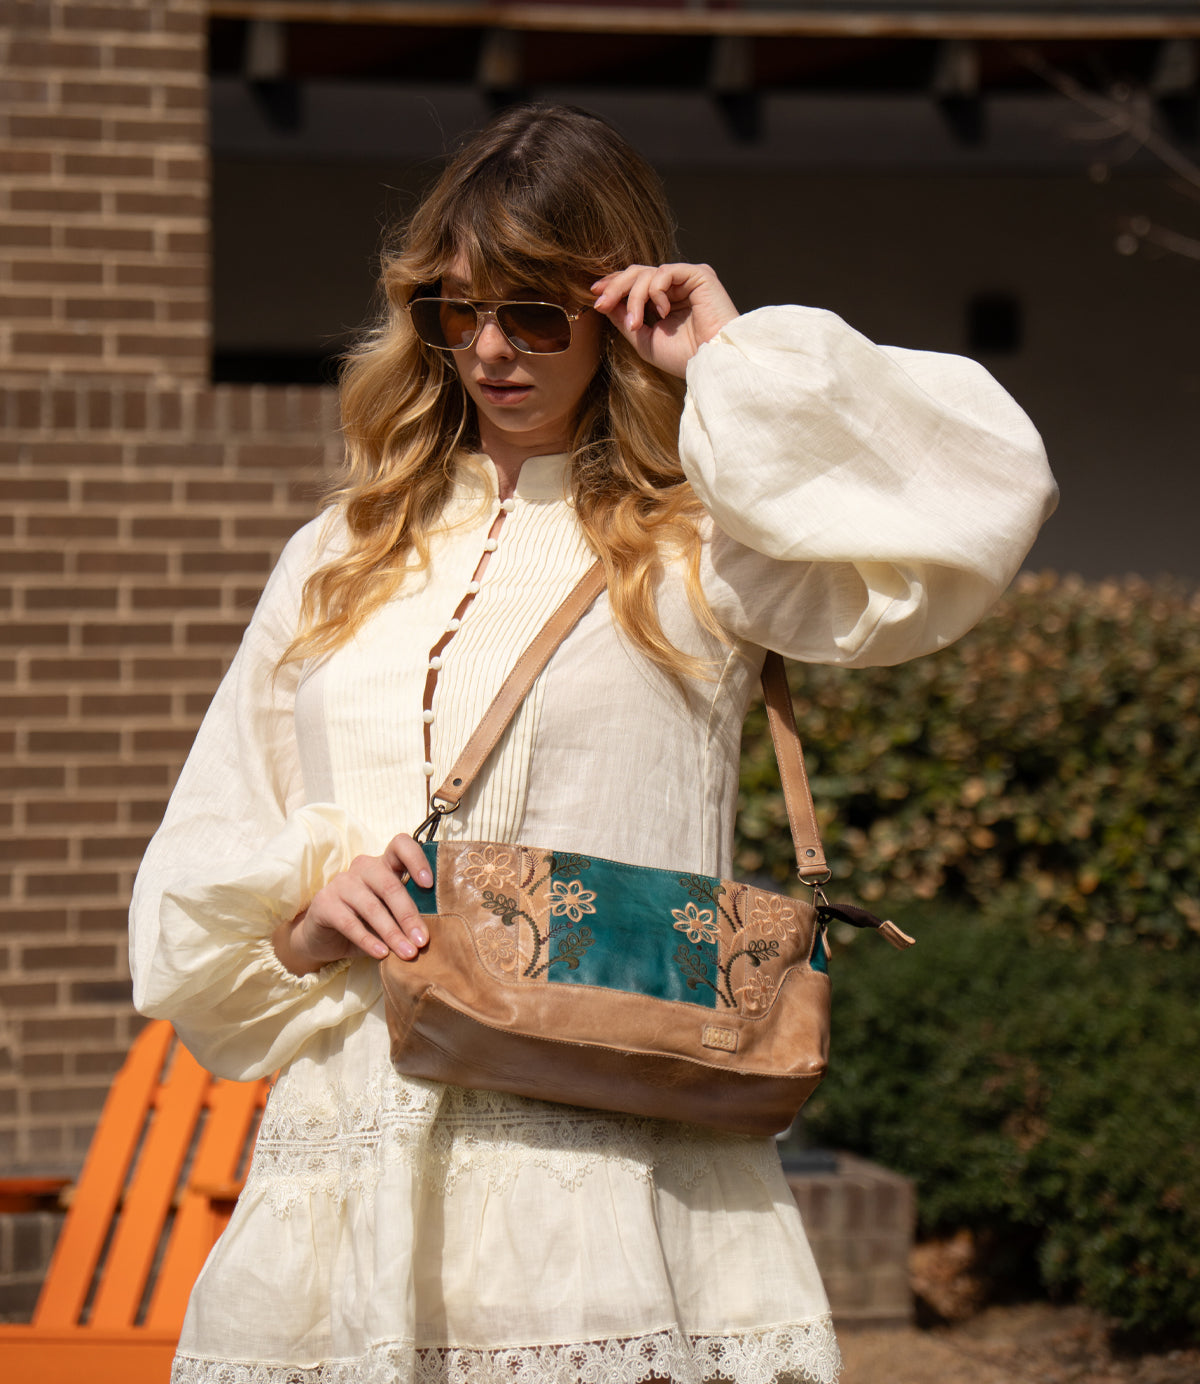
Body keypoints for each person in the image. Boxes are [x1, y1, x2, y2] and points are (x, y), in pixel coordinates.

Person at [130, 104, 1057, 1384]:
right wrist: (304, 918)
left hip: (603, 1173)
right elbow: (212, 838)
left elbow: (986, 493)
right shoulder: (341, 553)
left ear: (613, 311)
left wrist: (730, 359)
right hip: (348, 1161)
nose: (490, 349)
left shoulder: (710, 545)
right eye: (457, 312)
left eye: (535, 314)